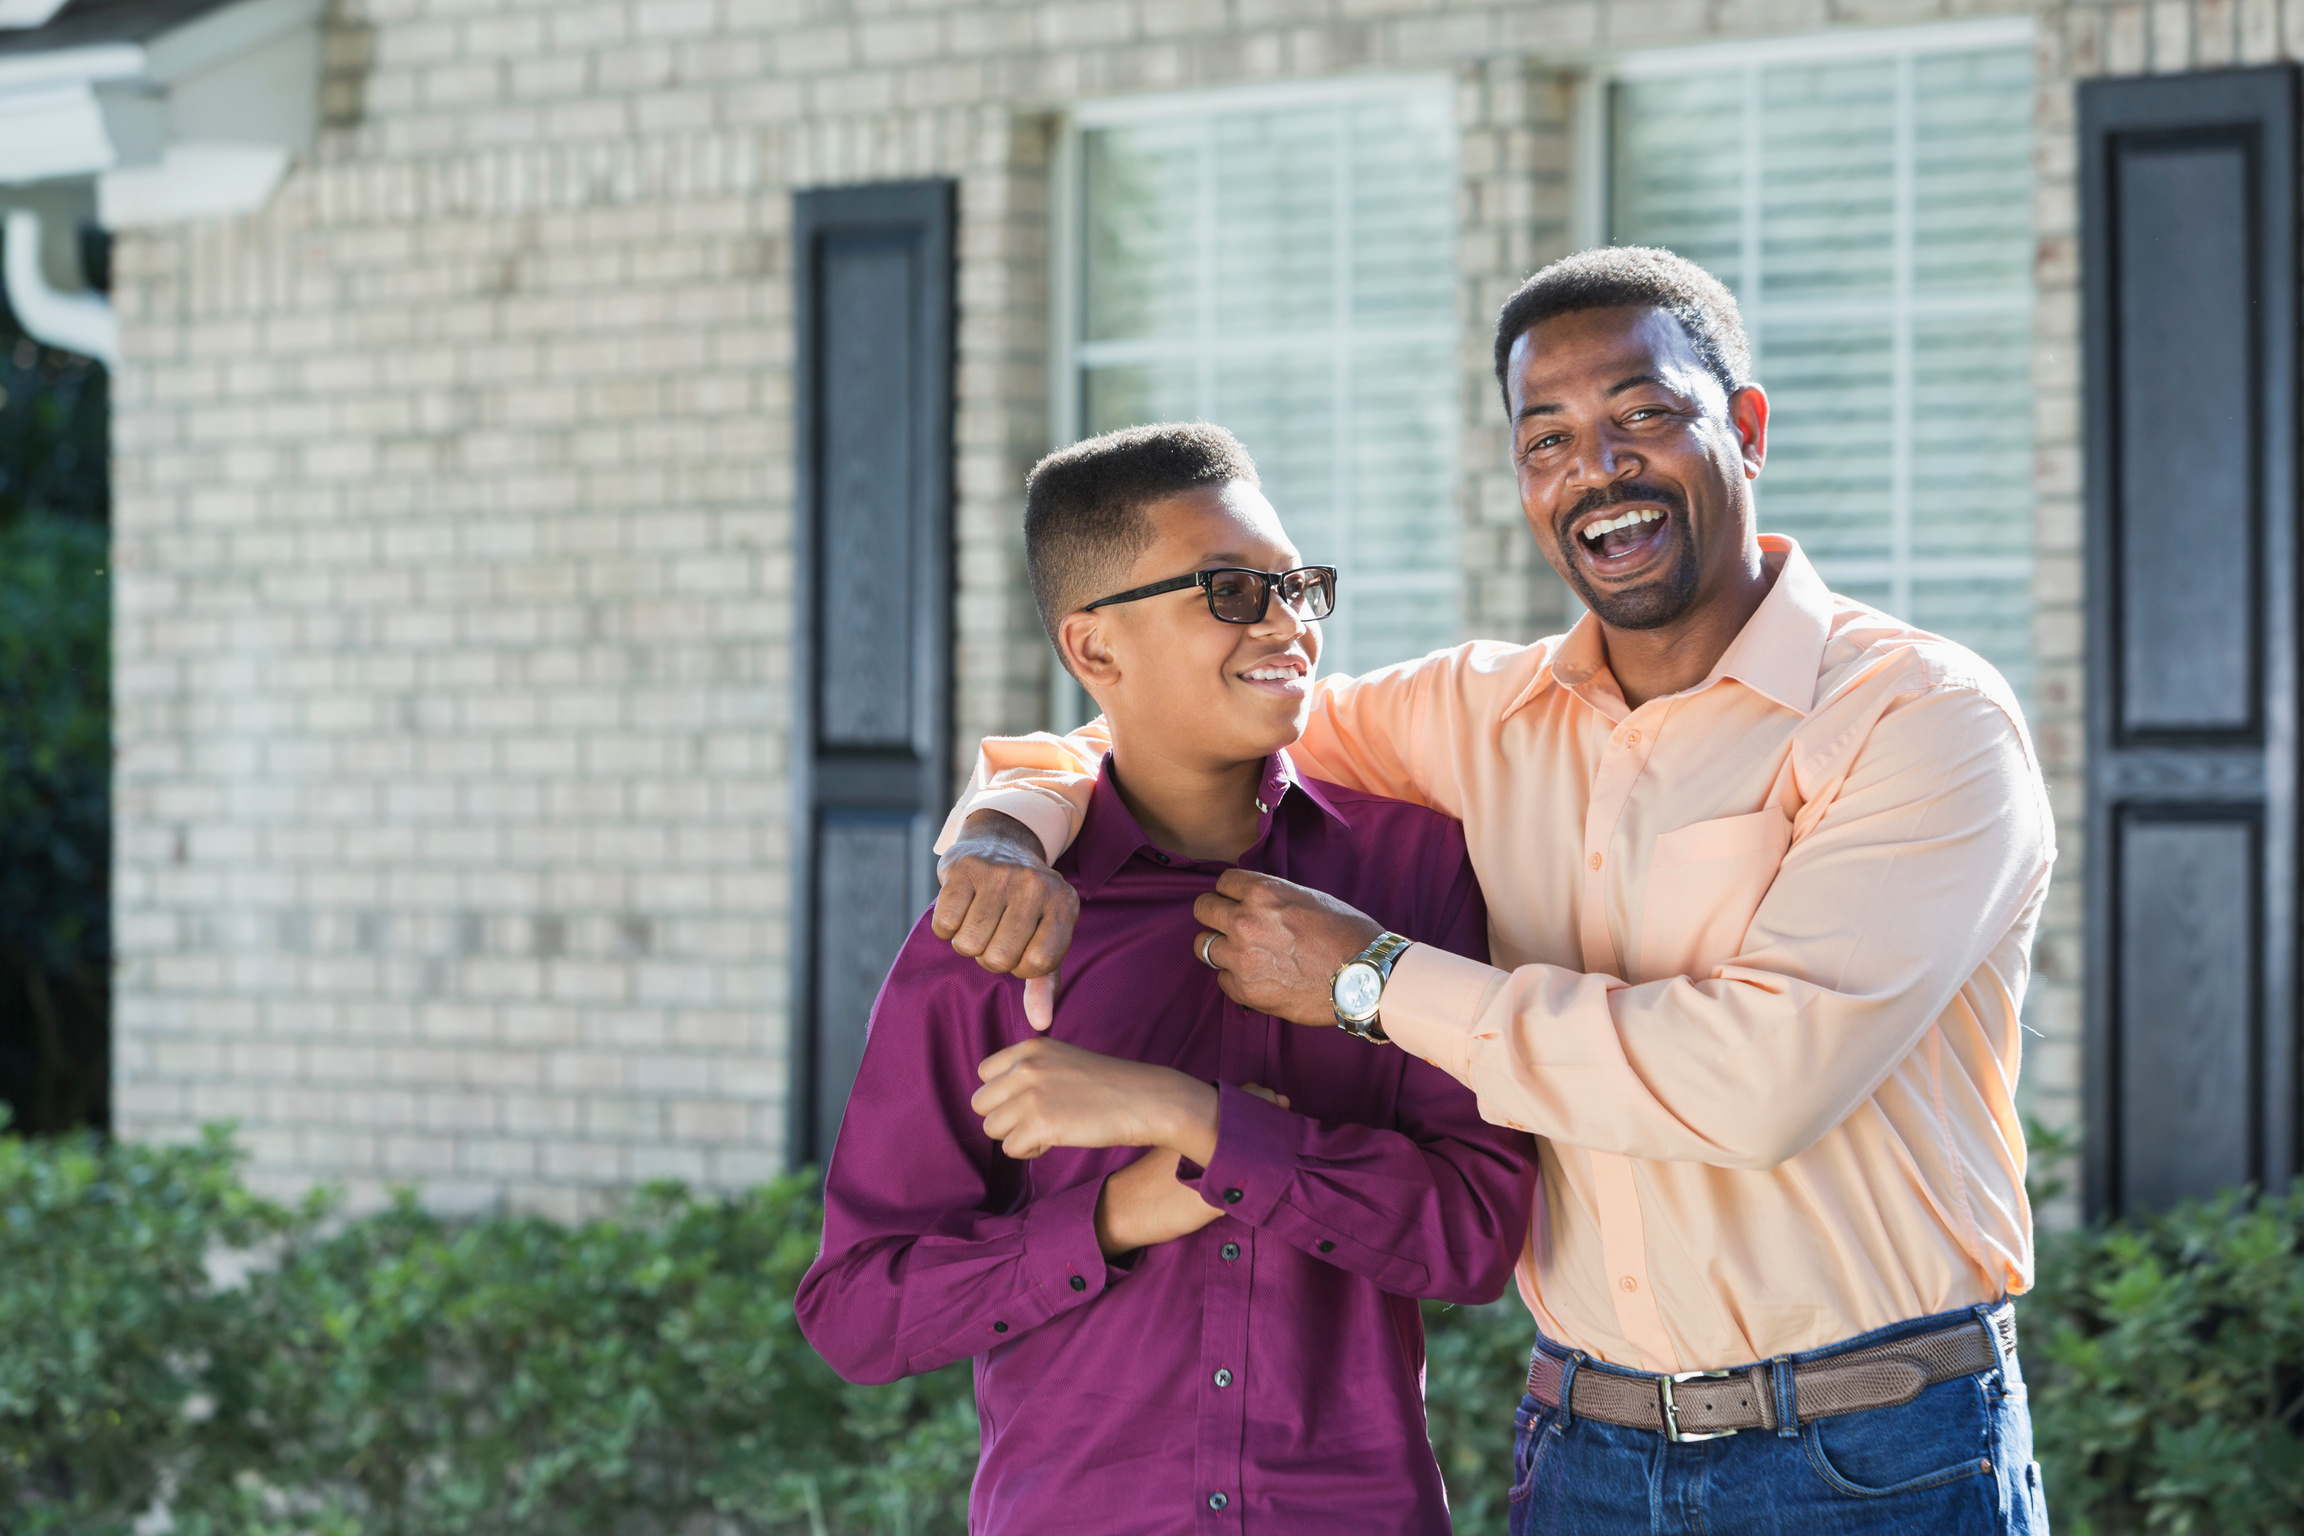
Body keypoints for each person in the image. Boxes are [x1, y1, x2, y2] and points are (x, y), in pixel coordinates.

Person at [928, 249, 2056, 1534]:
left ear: (1743, 429)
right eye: (1549, 440)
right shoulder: (1481, 713)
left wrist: (1372, 982)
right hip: (1586, 1448)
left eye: (1643, 416)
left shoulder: (1919, 719)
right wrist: (1010, 823)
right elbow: (1176, 724)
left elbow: (1761, 1084)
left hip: (1876, 1454)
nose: (1599, 469)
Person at [794, 422, 1534, 1535]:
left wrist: (1190, 1120)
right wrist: (1109, 1220)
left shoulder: (1413, 869)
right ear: (1095, 651)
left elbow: (1473, 1236)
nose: (1291, 625)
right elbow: (857, 1309)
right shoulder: (1000, 918)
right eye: (1233, 592)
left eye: (1298, 587)